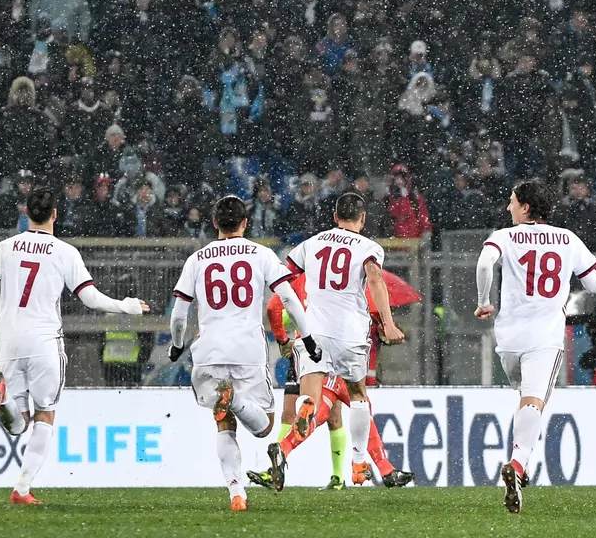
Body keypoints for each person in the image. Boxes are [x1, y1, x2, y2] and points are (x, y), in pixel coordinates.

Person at [0, 187, 150, 505]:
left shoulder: (6, 248)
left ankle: (2, 400)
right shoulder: (65, 252)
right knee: (45, 415)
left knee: (17, 425)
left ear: (26, 213)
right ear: (55, 214)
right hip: (45, 341)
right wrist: (126, 306)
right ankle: (22, 488)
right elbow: (89, 298)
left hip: (9, 343)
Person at [167, 196, 322, 511]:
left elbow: (180, 314)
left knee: (223, 422)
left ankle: (237, 493)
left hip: (209, 348)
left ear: (214, 224)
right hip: (247, 348)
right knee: (265, 425)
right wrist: (307, 339)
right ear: (245, 223)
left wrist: (177, 343)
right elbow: (289, 299)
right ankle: (234, 399)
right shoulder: (261, 254)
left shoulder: (197, 259)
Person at [474, 179, 596, 513]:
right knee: (534, 402)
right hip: (544, 338)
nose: (508, 207)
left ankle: (521, 463)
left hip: (508, 340)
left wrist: (483, 301)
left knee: (525, 399)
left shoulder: (504, 235)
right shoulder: (567, 238)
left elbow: (485, 263)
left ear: (525, 207)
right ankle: (518, 464)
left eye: (512, 201)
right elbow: (595, 283)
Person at [267, 193, 405, 489]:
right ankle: (357, 464)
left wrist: (288, 324)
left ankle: (306, 408)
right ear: (363, 218)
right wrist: (389, 323)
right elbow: (374, 278)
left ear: (334, 215)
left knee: (312, 401)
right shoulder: (369, 247)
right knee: (357, 396)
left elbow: (284, 281)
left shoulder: (311, 243)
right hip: (349, 334)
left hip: (312, 333)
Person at [247, 272, 413, 490]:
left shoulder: (302, 278)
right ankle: (364, 466)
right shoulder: (349, 276)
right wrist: (385, 324)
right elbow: (370, 308)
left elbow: (273, 308)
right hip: (341, 349)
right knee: (357, 405)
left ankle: (284, 449)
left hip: (307, 351)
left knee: (319, 410)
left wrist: (283, 338)